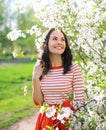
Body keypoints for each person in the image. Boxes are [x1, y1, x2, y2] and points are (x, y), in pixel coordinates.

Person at [32, 28, 85, 130]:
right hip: (47, 119)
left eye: (62, 39)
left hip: (67, 119)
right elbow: (39, 102)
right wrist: (35, 78)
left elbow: (80, 101)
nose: (59, 42)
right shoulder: (39, 67)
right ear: (46, 43)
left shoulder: (73, 68)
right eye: (55, 39)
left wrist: (78, 122)